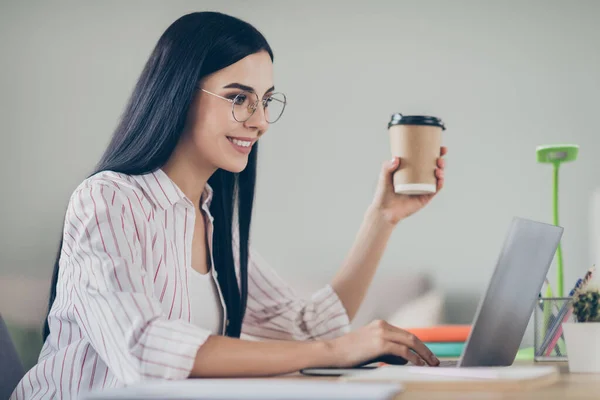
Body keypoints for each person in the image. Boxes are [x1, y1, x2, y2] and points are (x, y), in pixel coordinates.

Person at [11, 11, 447, 400]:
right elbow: (142, 346)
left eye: (265, 100)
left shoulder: (210, 220)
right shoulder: (108, 199)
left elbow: (308, 328)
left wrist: (383, 217)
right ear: (180, 93)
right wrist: (336, 351)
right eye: (239, 97)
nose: (259, 121)